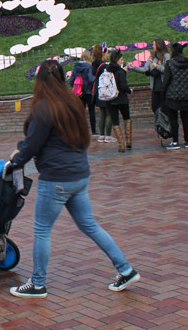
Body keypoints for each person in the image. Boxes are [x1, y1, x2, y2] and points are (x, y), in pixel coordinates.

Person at [8, 59, 140, 299]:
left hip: (56, 179)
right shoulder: (72, 101)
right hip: (79, 175)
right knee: (90, 225)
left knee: (41, 230)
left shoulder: (43, 107)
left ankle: (38, 283)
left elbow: (33, 144)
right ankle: (125, 269)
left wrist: (15, 160)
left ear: (40, 82)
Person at [160, 43, 188, 149]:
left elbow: (166, 80)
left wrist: (163, 94)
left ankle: (175, 141)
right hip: (187, 95)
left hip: (173, 95)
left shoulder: (170, 63)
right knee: (185, 118)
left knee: (173, 119)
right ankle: (187, 140)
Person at [96, 50, 133, 152]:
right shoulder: (120, 71)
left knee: (115, 121)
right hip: (121, 99)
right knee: (126, 118)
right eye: (121, 59)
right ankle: (128, 141)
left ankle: (121, 145)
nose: (122, 61)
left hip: (110, 99)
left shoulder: (107, 70)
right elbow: (123, 85)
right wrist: (130, 91)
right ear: (117, 60)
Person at [128, 38, 169, 118]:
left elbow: (167, 70)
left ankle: (166, 122)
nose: (153, 46)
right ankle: (159, 122)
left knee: (165, 107)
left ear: (159, 45)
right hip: (155, 87)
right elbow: (145, 69)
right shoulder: (152, 57)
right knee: (155, 107)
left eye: (154, 44)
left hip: (164, 86)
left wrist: (156, 66)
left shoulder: (166, 56)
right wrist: (134, 68)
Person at [70, 50, 97, 135]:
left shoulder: (76, 66)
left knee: (81, 111)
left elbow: (72, 79)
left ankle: (81, 130)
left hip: (79, 92)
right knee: (92, 111)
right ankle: (94, 130)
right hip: (89, 92)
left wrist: (76, 87)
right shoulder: (89, 66)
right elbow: (91, 79)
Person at [91, 45, 112, 143]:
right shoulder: (104, 66)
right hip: (106, 91)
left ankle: (101, 135)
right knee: (109, 114)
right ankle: (108, 136)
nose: (108, 55)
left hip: (98, 91)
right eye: (107, 53)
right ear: (103, 53)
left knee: (102, 114)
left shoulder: (94, 64)